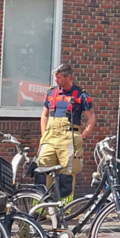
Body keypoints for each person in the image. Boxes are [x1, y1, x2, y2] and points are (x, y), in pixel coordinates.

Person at [37, 64, 95, 201]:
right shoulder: (51, 93)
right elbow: (44, 115)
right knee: (41, 171)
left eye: (59, 77)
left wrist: (83, 135)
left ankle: (65, 211)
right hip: (50, 137)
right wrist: (44, 134)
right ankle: (41, 210)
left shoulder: (81, 95)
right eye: (55, 77)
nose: (56, 80)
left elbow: (91, 118)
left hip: (69, 138)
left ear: (68, 77)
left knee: (67, 175)